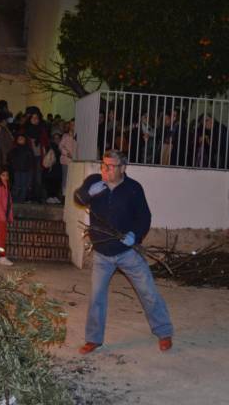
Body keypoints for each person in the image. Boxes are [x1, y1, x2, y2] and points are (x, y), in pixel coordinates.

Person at [74, 149, 173, 354]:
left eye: (110, 166)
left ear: (123, 168)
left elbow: (144, 218)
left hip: (128, 252)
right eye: (103, 165)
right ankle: (94, 339)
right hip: (102, 252)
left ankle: (164, 332)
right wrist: (88, 193)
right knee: (96, 297)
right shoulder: (94, 181)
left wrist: (134, 235)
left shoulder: (134, 188)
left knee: (148, 291)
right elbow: (79, 198)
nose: (105, 170)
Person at [8, 134, 34, 202]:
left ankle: (22, 199)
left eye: (22, 139)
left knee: (23, 185)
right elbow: (10, 159)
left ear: (25, 140)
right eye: (19, 139)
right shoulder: (14, 149)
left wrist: (29, 169)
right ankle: (15, 198)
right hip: (16, 170)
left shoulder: (28, 149)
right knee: (16, 184)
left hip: (25, 170)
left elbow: (31, 161)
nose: (20, 140)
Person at [58, 120, 77, 197]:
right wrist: (66, 153)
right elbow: (60, 146)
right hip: (66, 160)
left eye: (74, 124)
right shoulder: (65, 136)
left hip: (75, 161)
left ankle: (71, 194)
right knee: (66, 178)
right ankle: (64, 195)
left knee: (73, 178)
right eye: (71, 124)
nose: (73, 126)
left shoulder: (77, 136)